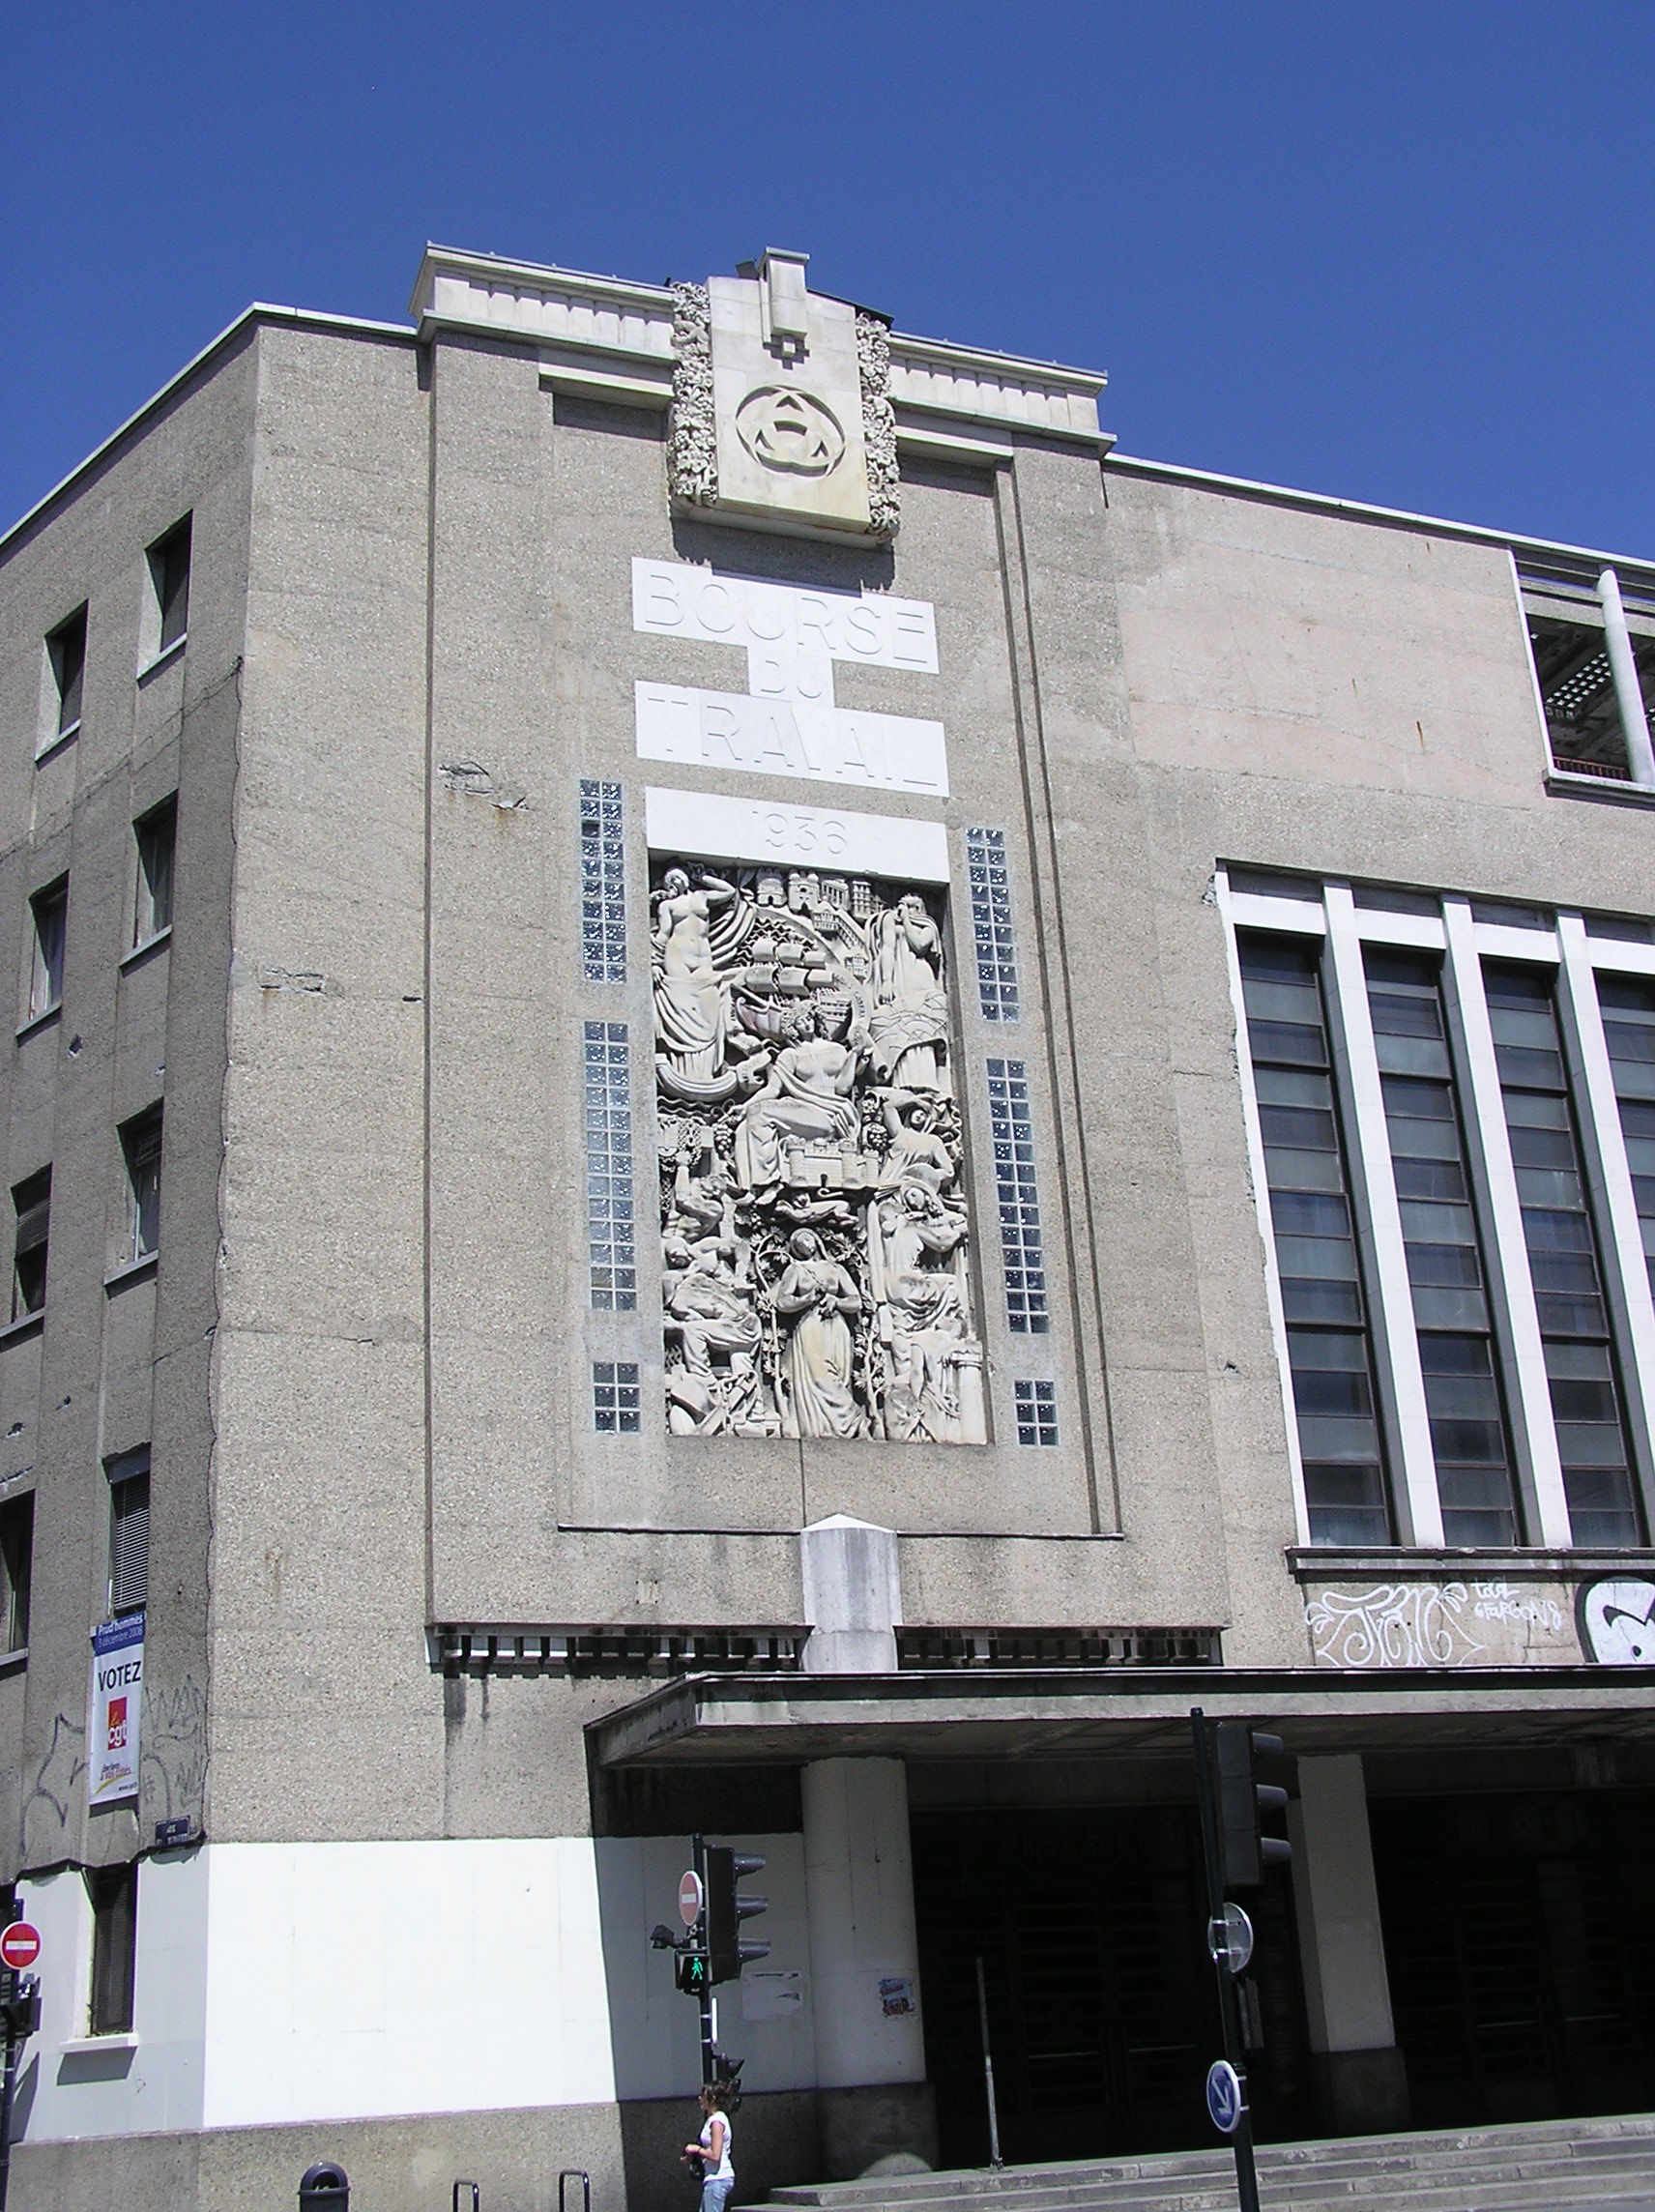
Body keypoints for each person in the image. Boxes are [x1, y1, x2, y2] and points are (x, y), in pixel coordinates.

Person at [684, 2081, 736, 2212]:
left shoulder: (717, 2121)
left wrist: (697, 2150)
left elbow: (715, 2155)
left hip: (718, 2178)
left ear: (712, 2099)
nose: (699, 2098)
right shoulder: (714, 2119)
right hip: (714, 2178)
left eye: (703, 2095)